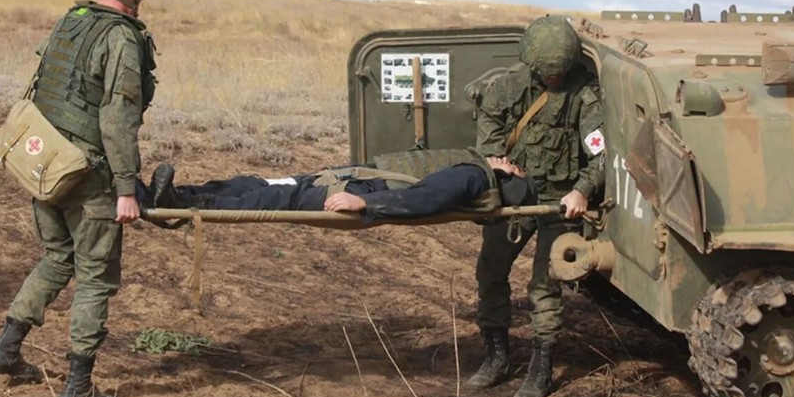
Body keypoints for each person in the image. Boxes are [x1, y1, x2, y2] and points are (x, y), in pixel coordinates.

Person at [0, 0, 160, 397]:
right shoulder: (122, 38)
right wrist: (126, 188)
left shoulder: (70, 21)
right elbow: (118, 119)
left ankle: (5, 351)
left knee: (57, 258)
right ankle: (78, 390)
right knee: (96, 279)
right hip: (89, 178)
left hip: (45, 166)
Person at [468, 16, 605, 397]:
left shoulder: (585, 97)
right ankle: (496, 357)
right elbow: (488, 132)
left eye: (559, 71)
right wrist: (493, 160)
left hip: (560, 205)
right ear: (532, 64)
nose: (554, 78)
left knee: (544, 287)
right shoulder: (507, 87)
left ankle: (541, 367)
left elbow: (603, 156)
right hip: (516, 198)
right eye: (547, 72)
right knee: (490, 273)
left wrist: (581, 191)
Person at [148, 148, 539, 220]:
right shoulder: (470, 165)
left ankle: (182, 207)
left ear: (504, 178)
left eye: (513, 167)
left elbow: (424, 200)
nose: (507, 160)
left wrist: (364, 205)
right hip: (352, 179)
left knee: (276, 197)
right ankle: (180, 195)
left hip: (362, 193)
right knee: (261, 182)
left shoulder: (471, 176)